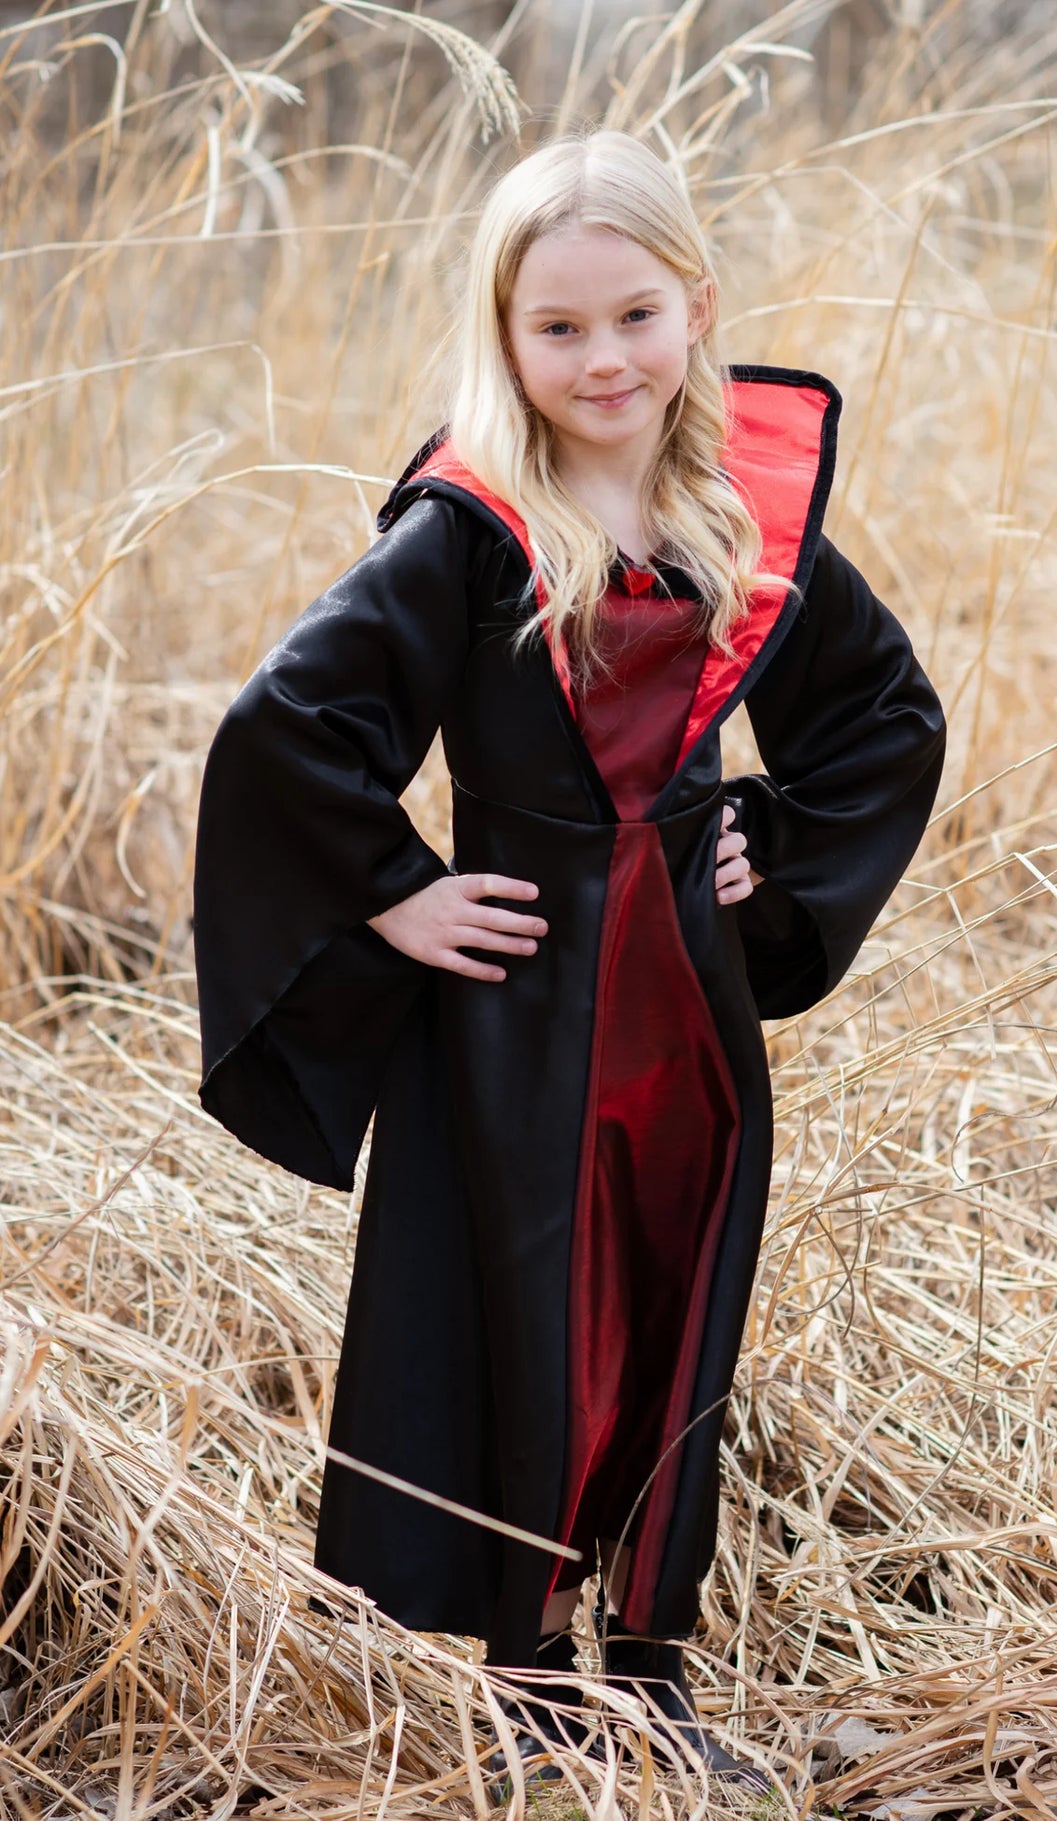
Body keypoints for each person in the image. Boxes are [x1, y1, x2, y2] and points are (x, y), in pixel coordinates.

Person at [192, 128, 946, 1799]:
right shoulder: (471, 525)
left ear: (696, 307)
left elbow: (882, 716)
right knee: (538, 1313)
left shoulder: (732, 510)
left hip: (687, 1005)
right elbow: (286, 724)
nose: (603, 358)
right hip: (519, 1006)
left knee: (676, 1306)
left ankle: (653, 1667)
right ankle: (532, 1678)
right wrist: (395, 892)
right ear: (505, 334)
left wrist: (764, 843)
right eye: (558, 327)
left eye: (633, 316)